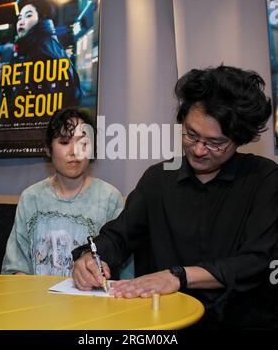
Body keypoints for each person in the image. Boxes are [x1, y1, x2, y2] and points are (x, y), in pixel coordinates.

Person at [72, 65, 278, 329]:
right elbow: (118, 236)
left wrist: (178, 276)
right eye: (191, 134)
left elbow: (256, 261)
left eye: (216, 143)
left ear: (239, 140)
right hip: (164, 326)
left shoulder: (263, 179)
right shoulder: (158, 179)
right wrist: (90, 258)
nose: (199, 150)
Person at [1, 107, 131, 277]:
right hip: (37, 300)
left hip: (90, 301)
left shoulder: (109, 198)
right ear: (48, 149)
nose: (74, 152)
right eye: (64, 142)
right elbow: (15, 266)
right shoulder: (31, 197)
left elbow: (123, 268)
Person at [15, 0, 81, 107]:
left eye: (28, 16)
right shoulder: (51, 44)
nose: (21, 22)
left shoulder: (40, 50)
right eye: (19, 18)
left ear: (41, 18)